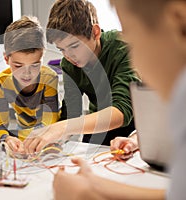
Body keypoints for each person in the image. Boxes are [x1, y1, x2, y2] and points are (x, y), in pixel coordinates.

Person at [52, 0, 186, 199]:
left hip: (125, 125)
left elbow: (123, 110)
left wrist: (88, 195)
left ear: (178, 21)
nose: (135, 61)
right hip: (121, 134)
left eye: (131, 35)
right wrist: (96, 184)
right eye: (62, 49)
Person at [24, 0, 139, 154]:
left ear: (95, 32)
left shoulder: (123, 48)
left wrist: (62, 128)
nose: (68, 56)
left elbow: (121, 112)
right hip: (97, 127)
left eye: (74, 46)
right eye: (62, 49)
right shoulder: (69, 64)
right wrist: (50, 137)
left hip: (133, 129)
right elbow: (72, 111)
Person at [0, 16, 60, 153]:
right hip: (23, 134)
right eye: (18, 65)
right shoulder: (2, 82)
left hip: (49, 137)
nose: (27, 74)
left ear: (43, 56)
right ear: (6, 58)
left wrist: (24, 137)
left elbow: (51, 122)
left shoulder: (49, 78)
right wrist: (7, 138)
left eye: (35, 65)